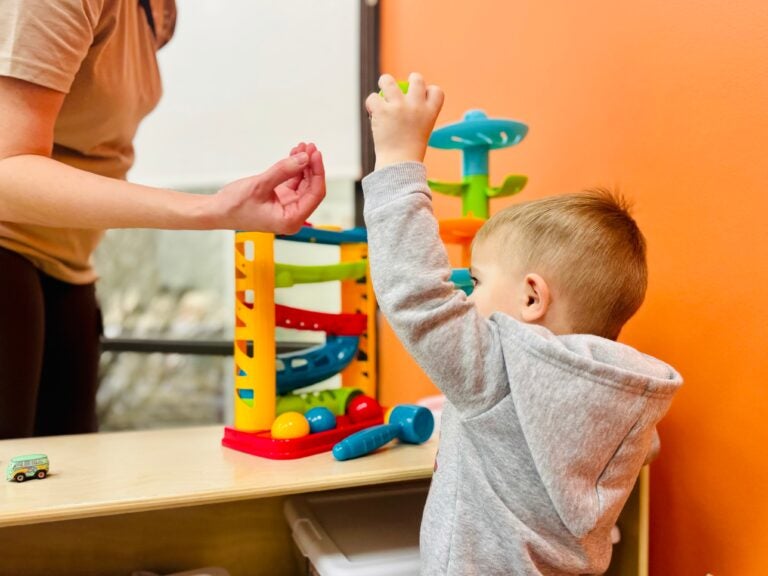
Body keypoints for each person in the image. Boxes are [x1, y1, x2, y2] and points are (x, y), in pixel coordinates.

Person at [362, 72, 683, 575]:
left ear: (532, 296)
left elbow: (418, 297)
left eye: (478, 279)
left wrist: (399, 161)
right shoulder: (625, 399)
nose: (467, 293)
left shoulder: (498, 373)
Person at [0, 0, 326, 439]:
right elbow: (7, 168)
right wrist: (210, 210)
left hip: (67, 260)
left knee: (65, 485)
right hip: (9, 246)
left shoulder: (156, 11)